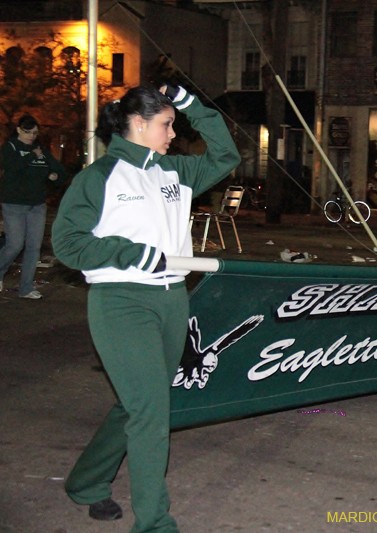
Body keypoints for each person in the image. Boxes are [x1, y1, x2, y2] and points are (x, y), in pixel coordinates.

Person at [52, 84, 240, 530]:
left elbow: (226, 155)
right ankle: (154, 523)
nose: (174, 133)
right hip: (122, 302)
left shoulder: (174, 170)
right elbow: (67, 243)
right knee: (151, 412)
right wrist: (130, 253)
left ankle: (86, 482)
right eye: (167, 124)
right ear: (138, 124)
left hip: (172, 300)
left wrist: (192, 105)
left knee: (137, 405)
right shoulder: (100, 177)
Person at [0, 115, 68, 298]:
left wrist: (55, 176)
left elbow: (59, 170)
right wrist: (31, 156)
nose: (31, 136)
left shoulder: (41, 150)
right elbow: (12, 168)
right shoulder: (11, 147)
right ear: (19, 130)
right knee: (15, 245)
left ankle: (26, 288)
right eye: (27, 132)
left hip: (37, 205)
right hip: (14, 203)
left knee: (33, 247)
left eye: (35, 133)